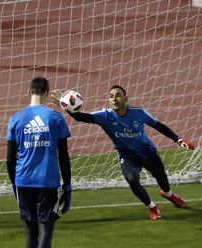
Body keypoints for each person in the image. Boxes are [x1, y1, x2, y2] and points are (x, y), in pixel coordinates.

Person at [51, 85, 194, 221]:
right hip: (127, 156)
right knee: (131, 179)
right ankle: (152, 207)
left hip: (147, 152)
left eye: (118, 95)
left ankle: (168, 194)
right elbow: (80, 117)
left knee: (161, 176)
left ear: (126, 99)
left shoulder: (138, 112)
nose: (114, 98)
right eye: (111, 96)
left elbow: (158, 126)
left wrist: (178, 139)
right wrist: (66, 106)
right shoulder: (104, 116)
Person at [7, 76, 72, 248]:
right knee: (46, 230)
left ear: (29, 92)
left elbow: (10, 158)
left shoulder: (15, 119)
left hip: (23, 181)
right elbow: (64, 156)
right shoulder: (56, 118)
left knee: (30, 232)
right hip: (47, 181)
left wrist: (15, 184)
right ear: (47, 93)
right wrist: (67, 186)